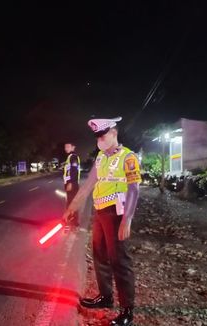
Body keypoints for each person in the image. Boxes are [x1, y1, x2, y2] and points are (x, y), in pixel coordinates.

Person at [62, 117, 141, 326]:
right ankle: (105, 297)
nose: (100, 140)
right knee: (100, 256)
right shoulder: (100, 158)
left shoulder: (128, 157)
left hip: (117, 214)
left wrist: (127, 220)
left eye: (103, 136)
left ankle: (127, 311)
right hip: (100, 213)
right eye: (97, 137)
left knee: (120, 262)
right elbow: (88, 186)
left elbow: (134, 189)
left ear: (114, 133)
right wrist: (71, 208)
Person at [63, 142, 80, 228]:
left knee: (71, 203)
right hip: (71, 183)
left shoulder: (73, 157)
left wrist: (70, 183)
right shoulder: (70, 157)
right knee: (71, 202)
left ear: (73, 147)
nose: (66, 148)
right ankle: (72, 220)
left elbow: (74, 170)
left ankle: (73, 221)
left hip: (72, 184)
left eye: (68, 146)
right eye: (65, 147)